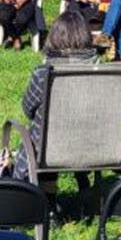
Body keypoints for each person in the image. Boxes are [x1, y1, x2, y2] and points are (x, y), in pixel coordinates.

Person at [14, 11, 102, 179]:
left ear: (54, 37)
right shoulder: (103, 72)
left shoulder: (44, 73)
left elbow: (28, 109)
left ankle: (48, 197)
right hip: (94, 145)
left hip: (49, 149)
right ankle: (80, 192)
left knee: (40, 133)